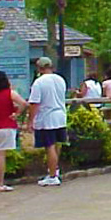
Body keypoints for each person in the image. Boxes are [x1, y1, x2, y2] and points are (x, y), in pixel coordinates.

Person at [27, 56, 68, 186]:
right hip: (60, 115)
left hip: (46, 117)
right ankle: (55, 170)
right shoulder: (60, 79)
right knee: (57, 144)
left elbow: (34, 103)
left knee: (49, 145)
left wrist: (30, 121)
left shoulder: (39, 82)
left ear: (39, 68)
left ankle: (52, 175)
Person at [0, 71, 28, 192]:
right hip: (6, 126)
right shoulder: (10, 93)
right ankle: (0, 184)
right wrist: (16, 114)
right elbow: (24, 103)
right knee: (1, 155)